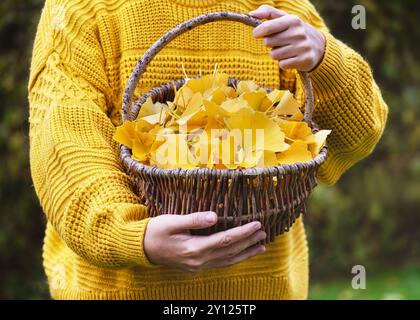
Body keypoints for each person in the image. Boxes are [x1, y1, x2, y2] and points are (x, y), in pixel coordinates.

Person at [28, 0, 388, 300]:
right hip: (125, 290)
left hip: (261, 289)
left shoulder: (275, 7)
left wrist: (325, 59)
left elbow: (357, 134)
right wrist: (135, 237)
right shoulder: (84, 10)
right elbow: (64, 146)